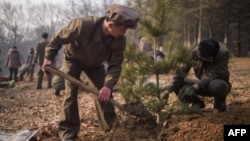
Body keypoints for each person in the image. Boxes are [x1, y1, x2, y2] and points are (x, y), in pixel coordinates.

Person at [41, 4, 139, 141]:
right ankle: (68, 134)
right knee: (71, 94)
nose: (125, 32)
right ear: (111, 25)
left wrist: (108, 85)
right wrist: (48, 58)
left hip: (95, 64)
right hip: (73, 59)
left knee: (104, 94)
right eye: (123, 29)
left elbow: (115, 65)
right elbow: (57, 39)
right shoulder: (81, 25)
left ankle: (111, 129)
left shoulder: (120, 40)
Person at [164, 38, 231, 112]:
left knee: (218, 85)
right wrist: (169, 89)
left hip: (216, 82)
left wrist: (196, 87)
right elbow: (181, 71)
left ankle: (220, 107)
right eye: (200, 57)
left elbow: (214, 74)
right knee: (178, 83)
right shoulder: (195, 52)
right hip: (201, 82)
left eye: (205, 58)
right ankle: (196, 103)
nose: (201, 59)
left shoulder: (223, 54)